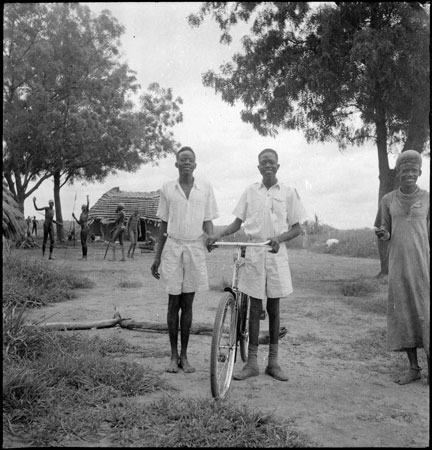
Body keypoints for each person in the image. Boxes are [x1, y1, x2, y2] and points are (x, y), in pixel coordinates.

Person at [207, 148, 307, 382]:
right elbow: (237, 223)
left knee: (273, 307)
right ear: (259, 167)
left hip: (275, 253)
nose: (268, 166)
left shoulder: (289, 192)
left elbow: (297, 228)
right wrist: (217, 236)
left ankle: (273, 362)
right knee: (253, 307)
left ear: (278, 166)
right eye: (264, 162)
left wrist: (278, 239)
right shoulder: (250, 191)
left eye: (272, 162)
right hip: (253, 252)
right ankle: (252, 362)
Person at [151, 146, 219, 374]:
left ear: (195, 164)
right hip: (173, 248)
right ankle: (172, 355)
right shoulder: (167, 188)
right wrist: (157, 257)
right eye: (183, 159)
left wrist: (211, 239)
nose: (187, 162)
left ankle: (185, 356)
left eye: (190, 159)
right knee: (173, 304)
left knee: (188, 304)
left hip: (195, 249)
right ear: (177, 164)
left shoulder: (205, 188)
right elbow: (162, 225)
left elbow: (208, 222)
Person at [375, 149, 429, 385]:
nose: (409, 174)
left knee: (426, 315)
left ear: (420, 172)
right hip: (398, 264)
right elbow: (384, 230)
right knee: (404, 313)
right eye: (404, 170)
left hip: (423, 266)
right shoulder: (388, 200)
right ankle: (413, 368)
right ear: (398, 173)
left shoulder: (428, 198)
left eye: (413, 170)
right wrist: (384, 234)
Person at [72, 195, 90, 261]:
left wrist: (87, 198)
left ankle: (85, 257)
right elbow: (79, 223)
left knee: (84, 242)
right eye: (82, 207)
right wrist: (74, 217)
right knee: (82, 243)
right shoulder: (81, 214)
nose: (83, 208)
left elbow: (88, 204)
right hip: (82, 228)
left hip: (85, 228)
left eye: (84, 207)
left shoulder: (86, 213)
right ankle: (83, 257)